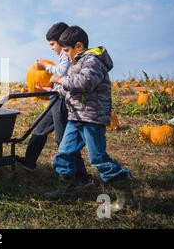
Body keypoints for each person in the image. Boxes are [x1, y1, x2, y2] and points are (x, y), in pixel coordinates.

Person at [47, 25, 132, 212]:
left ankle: (124, 194)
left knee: (98, 158)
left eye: (67, 50)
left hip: (92, 119)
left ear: (79, 46)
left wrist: (60, 80)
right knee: (65, 153)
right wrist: (56, 89)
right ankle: (66, 187)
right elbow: (71, 88)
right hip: (76, 118)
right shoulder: (78, 62)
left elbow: (85, 83)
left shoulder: (92, 61)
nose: (66, 54)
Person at [17, 22, 92, 188]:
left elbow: (60, 73)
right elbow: (62, 79)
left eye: (52, 44)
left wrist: (45, 66)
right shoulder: (64, 56)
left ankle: (81, 177)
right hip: (55, 97)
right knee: (40, 129)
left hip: (62, 101)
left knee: (63, 138)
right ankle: (30, 161)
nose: (51, 48)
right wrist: (49, 88)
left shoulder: (66, 56)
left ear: (61, 41)